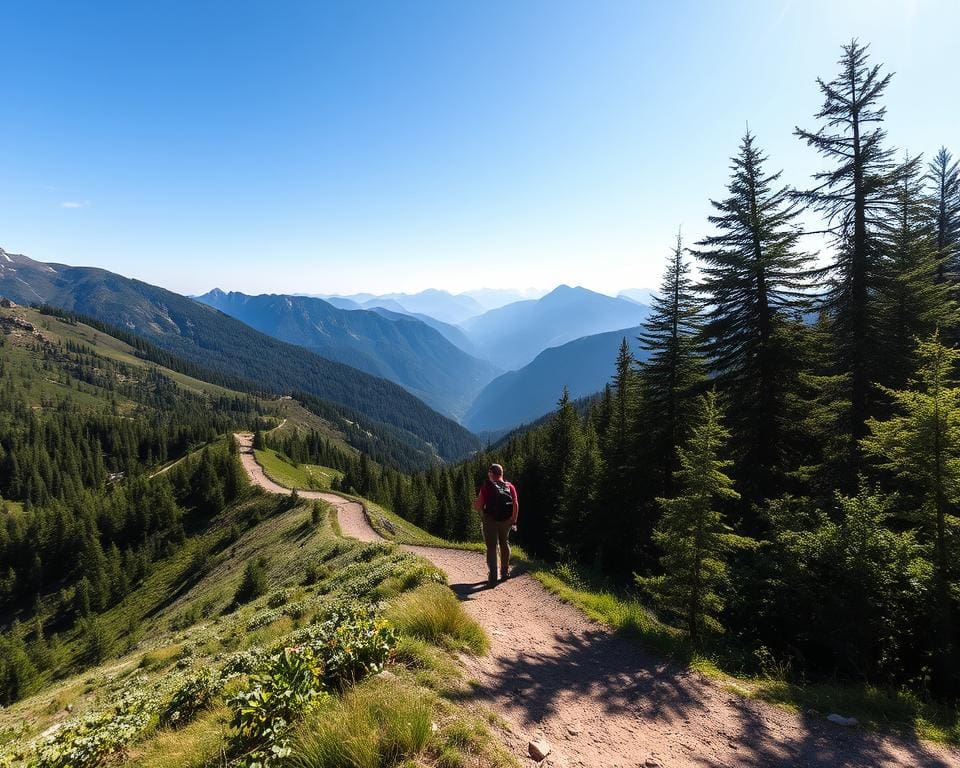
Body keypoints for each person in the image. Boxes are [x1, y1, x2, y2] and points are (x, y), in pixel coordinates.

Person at [473, 463, 519, 587]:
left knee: (492, 547)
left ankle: (493, 577)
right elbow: (515, 504)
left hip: (490, 520)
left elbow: (478, 506)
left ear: (491, 474)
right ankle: (504, 572)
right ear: (501, 474)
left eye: (489, 473)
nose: (488, 476)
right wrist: (513, 520)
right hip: (506, 520)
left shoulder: (486, 487)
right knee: (505, 542)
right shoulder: (510, 486)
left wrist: (475, 504)